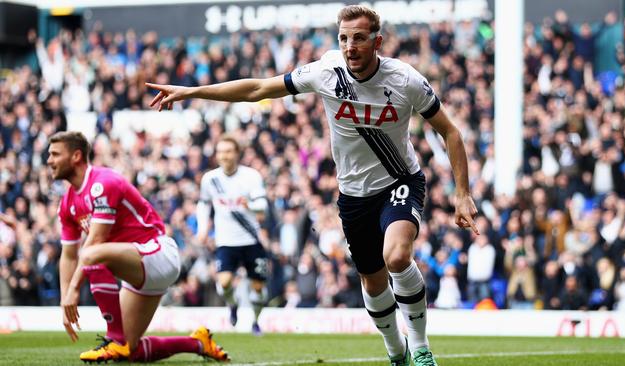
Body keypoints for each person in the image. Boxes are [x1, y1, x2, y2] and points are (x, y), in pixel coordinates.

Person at [147, 5, 478, 365]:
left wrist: (463, 194)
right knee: (372, 282)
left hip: (400, 180)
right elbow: (259, 88)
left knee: (397, 256)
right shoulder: (326, 71)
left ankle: (420, 347)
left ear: (377, 41)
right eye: (344, 38)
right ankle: (396, 350)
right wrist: (191, 92)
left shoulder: (405, 80)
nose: (350, 46)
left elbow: (451, 131)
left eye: (359, 38)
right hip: (353, 194)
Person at [48, 131, 229, 363]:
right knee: (130, 352)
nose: (49, 160)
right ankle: (198, 342)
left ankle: (115, 340)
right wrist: (66, 299)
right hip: (136, 267)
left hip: (158, 253)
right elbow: (68, 255)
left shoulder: (102, 183)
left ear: (76, 156)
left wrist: (74, 289)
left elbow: (95, 243)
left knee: (92, 253)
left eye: (55, 154)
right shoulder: (67, 204)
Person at [196, 136, 269, 335]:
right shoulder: (210, 179)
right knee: (225, 282)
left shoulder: (251, 176)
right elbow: (203, 204)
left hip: (251, 239)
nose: (224, 156)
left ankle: (255, 321)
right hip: (225, 241)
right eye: (220, 151)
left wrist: (250, 206)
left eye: (228, 151)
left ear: (237, 153)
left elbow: (263, 206)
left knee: (257, 287)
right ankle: (233, 305)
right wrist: (202, 229)